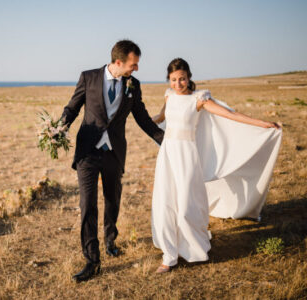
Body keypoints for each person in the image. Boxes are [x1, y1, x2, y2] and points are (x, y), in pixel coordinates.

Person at [151, 58, 282, 273]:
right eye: (173, 80)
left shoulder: (199, 99)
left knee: (185, 204)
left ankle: (192, 246)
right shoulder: (169, 95)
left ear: (189, 77)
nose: (178, 84)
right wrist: (140, 118)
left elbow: (230, 115)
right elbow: (160, 116)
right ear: (169, 80)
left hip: (187, 155)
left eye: (182, 79)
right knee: (165, 201)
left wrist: (263, 123)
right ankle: (169, 255)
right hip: (167, 154)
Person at [61, 40, 164, 282]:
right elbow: (73, 108)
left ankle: (110, 239)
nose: (136, 69)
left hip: (114, 152)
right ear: (118, 62)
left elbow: (142, 117)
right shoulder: (88, 77)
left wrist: (164, 140)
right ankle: (92, 260)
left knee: (112, 199)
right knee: (88, 204)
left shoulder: (133, 85)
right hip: (88, 151)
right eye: (133, 64)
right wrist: (58, 129)